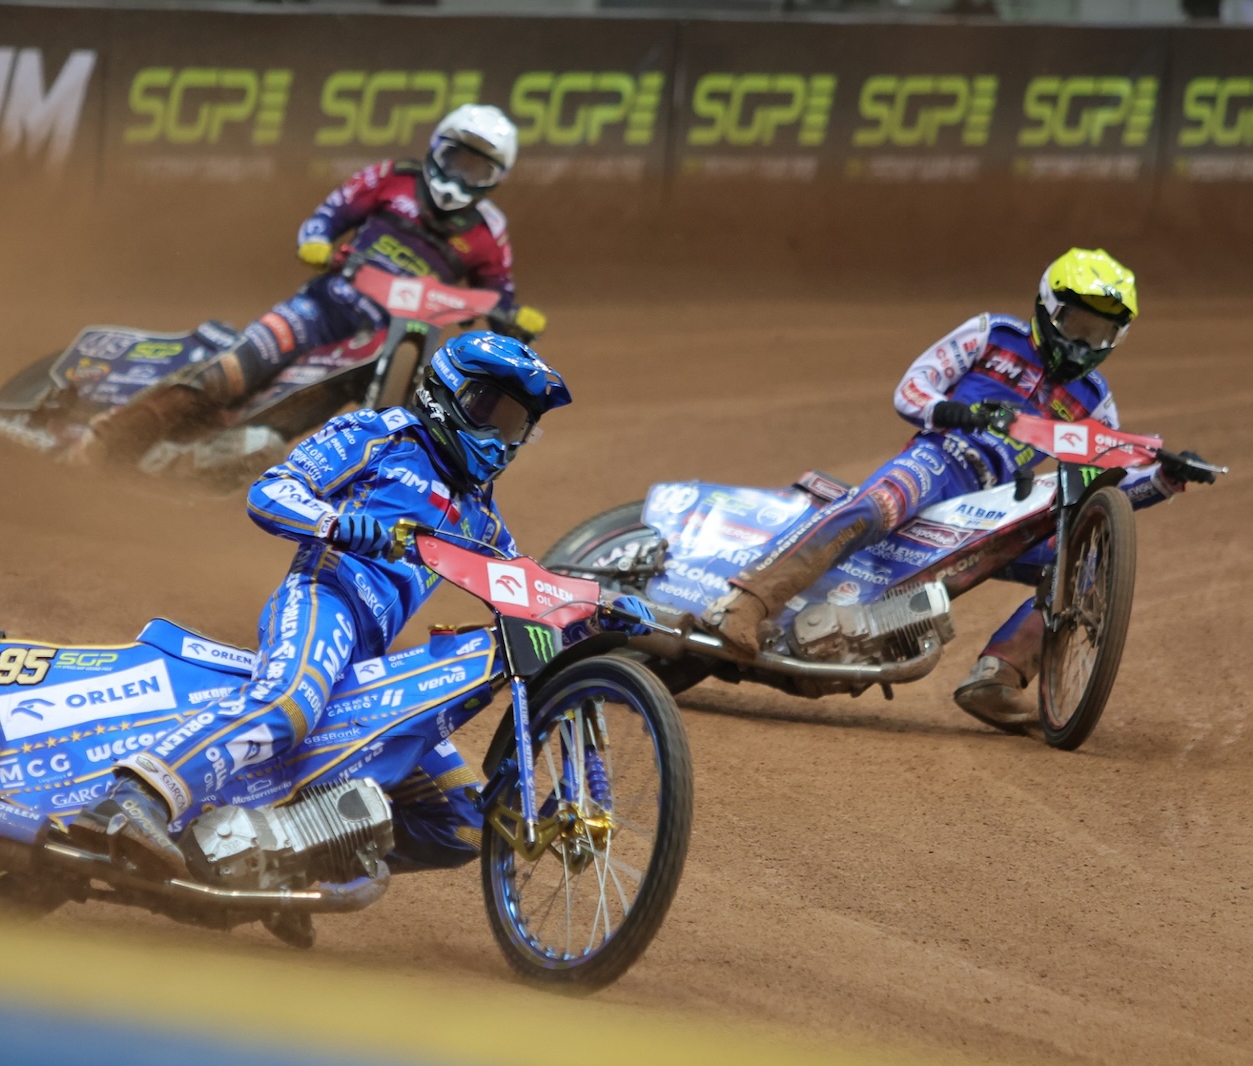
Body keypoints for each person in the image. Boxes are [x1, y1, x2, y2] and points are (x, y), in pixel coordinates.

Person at [70, 331, 653, 877]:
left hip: (372, 661)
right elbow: (270, 491)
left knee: (463, 826)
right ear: (447, 393)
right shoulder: (378, 435)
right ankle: (131, 799)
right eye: (489, 412)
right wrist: (334, 524)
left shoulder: (481, 516)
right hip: (325, 599)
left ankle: (280, 865)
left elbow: (525, 589)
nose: (499, 437)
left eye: (515, 424)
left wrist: (599, 605)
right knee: (289, 705)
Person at [702, 248, 1218, 730]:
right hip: (941, 458)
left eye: (1099, 333)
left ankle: (998, 678)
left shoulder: (1094, 399)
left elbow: (1103, 488)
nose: (1083, 343)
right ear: (1047, 307)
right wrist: (945, 411)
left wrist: (1165, 478)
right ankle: (747, 603)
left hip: (998, 504)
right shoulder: (992, 335)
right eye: (1076, 324)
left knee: (1087, 565)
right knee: (876, 506)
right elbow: (912, 388)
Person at [79, 104, 548, 465]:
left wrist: (514, 321)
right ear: (436, 149)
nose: (460, 176)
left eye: (476, 169)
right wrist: (316, 242)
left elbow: (499, 296)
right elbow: (328, 215)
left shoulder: (489, 232)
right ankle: (108, 438)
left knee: (295, 416)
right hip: (319, 309)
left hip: (379, 344)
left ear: (494, 179)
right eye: (455, 159)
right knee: (229, 376)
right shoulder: (393, 179)